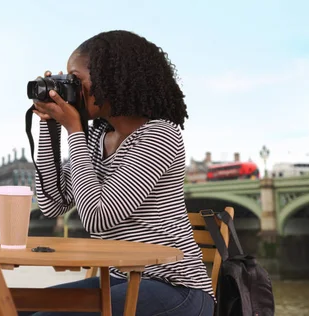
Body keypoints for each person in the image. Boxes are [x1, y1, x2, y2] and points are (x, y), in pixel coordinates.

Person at [27, 30, 215, 316]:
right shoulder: (97, 137)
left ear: (110, 80)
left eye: (76, 80)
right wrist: (50, 125)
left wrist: (74, 130)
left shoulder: (160, 136)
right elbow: (52, 204)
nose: (70, 89)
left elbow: (98, 218)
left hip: (177, 288)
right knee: (12, 306)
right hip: (121, 278)